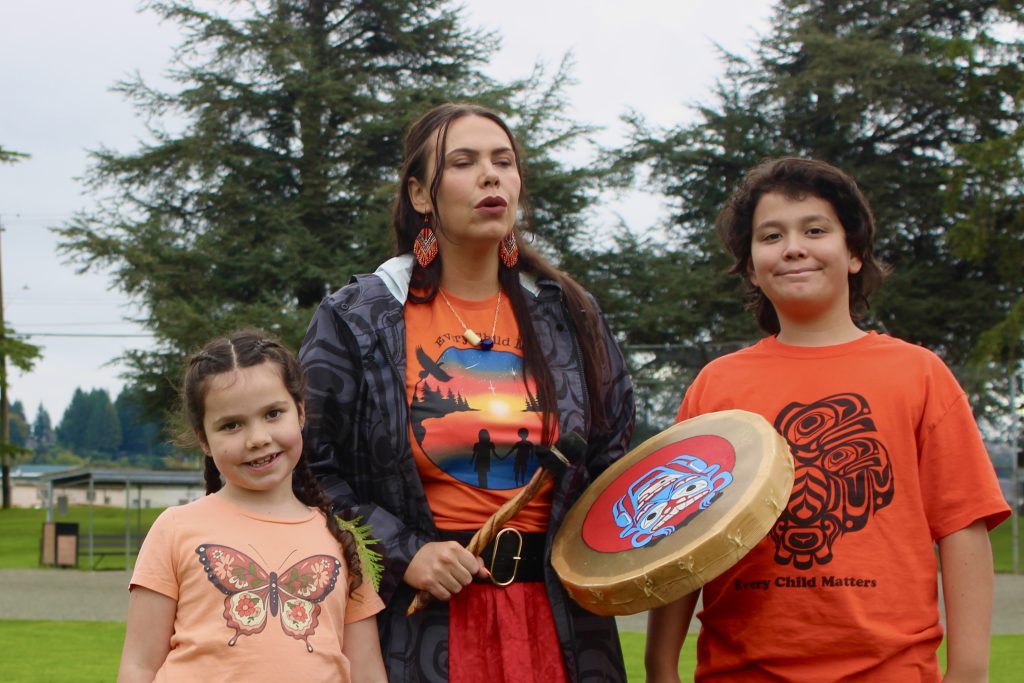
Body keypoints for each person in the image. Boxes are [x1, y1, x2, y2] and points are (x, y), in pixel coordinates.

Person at [300, 103, 635, 683]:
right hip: (418, 624)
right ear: (421, 196)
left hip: (561, 627)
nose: (491, 175)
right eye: (464, 162)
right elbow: (309, 468)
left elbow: (613, 456)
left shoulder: (568, 314)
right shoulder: (359, 318)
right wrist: (405, 552)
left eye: (503, 161)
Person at [645, 157, 1011, 683]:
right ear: (751, 265)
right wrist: (661, 665)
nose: (793, 247)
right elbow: (683, 537)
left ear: (854, 253)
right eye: (771, 236)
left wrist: (969, 670)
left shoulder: (919, 373)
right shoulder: (716, 386)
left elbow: (962, 525)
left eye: (815, 230)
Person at [117, 330, 387, 683]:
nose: (258, 438)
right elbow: (138, 666)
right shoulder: (174, 529)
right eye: (231, 425)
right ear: (204, 440)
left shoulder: (343, 538)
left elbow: (366, 671)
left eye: (273, 414)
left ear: (301, 413)